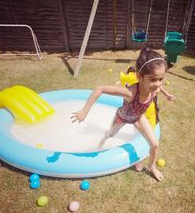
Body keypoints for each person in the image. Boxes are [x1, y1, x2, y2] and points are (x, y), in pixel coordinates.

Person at [71, 48, 175, 181]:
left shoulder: (154, 88)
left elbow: (160, 88)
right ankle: (100, 144)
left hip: (138, 118)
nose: (158, 84)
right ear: (140, 77)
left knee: (155, 144)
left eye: (161, 79)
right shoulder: (130, 93)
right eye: (153, 79)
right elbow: (100, 89)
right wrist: (84, 111)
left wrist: (167, 95)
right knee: (110, 134)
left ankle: (152, 167)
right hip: (122, 118)